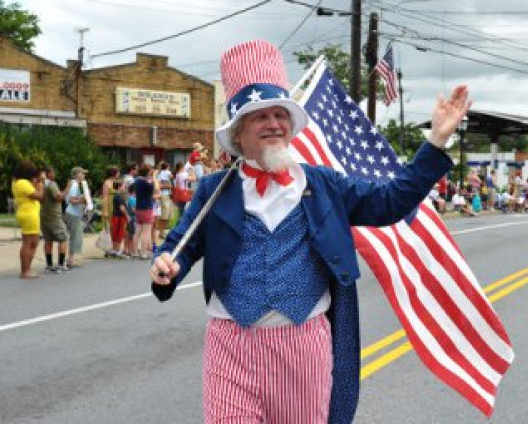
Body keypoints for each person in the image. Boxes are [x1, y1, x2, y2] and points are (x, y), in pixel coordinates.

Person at [149, 40, 468, 424]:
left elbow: (390, 201)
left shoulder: (324, 184)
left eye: (279, 114)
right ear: (238, 135)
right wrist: (167, 267)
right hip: (230, 343)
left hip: (304, 346)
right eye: (258, 116)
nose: (273, 123)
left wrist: (435, 141)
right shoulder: (214, 190)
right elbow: (179, 248)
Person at [12, 160, 44, 279]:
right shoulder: (22, 183)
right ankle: (25, 271)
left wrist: (36, 183)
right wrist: (40, 185)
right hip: (29, 214)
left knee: (33, 242)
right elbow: (39, 196)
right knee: (28, 242)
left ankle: (27, 269)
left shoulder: (19, 182)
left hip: (29, 213)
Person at [40, 166, 70, 274]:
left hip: (44, 216)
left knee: (48, 239)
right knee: (63, 238)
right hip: (54, 216)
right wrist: (68, 187)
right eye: (53, 172)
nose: (55, 173)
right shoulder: (52, 184)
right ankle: (61, 265)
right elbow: (59, 198)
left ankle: (49, 264)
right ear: (49, 173)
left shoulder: (41, 185)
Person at [63, 166, 90, 269]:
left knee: (76, 236)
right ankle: (70, 260)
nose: (84, 175)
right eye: (82, 173)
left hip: (75, 213)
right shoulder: (74, 185)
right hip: (73, 213)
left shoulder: (76, 184)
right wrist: (83, 200)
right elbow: (72, 200)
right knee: (75, 236)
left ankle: (71, 259)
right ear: (77, 174)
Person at [133, 164, 157, 259]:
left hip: (139, 207)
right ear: (147, 172)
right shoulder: (145, 181)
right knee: (146, 231)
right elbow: (153, 188)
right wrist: (153, 178)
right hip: (147, 208)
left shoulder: (137, 181)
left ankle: (134, 252)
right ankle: (143, 253)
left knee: (138, 231)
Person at [109, 180, 129, 257]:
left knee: (115, 232)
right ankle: (117, 250)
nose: (124, 187)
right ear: (120, 187)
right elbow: (122, 208)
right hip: (120, 217)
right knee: (120, 233)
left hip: (115, 216)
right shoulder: (120, 197)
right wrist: (127, 216)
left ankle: (114, 249)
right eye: (123, 186)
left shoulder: (115, 195)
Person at [156, 162, 174, 241]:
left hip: (165, 195)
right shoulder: (167, 172)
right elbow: (172, 177)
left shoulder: (159, 174)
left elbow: (159, 184)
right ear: (167, 167)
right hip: (164, 195)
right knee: (164, 215)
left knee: (166, 216)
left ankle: (161, 232)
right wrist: (168, 185)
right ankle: (161, 232)